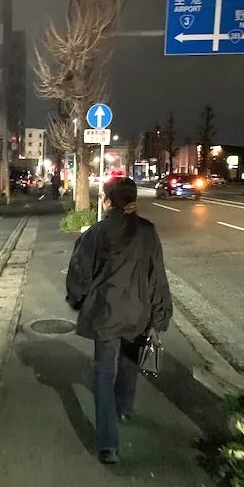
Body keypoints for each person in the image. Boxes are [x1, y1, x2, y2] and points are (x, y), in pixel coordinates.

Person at [65, 177, 172, 465]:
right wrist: (160, 314)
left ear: (109, 201)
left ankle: (108, 445)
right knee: (129, 362)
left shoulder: (97, 232)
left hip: (106, 313)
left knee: (103, 373)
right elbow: (157, 276)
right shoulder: (147, 232)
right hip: (138, 312)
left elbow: (79, 270)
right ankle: (123, 407)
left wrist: (77, 298)